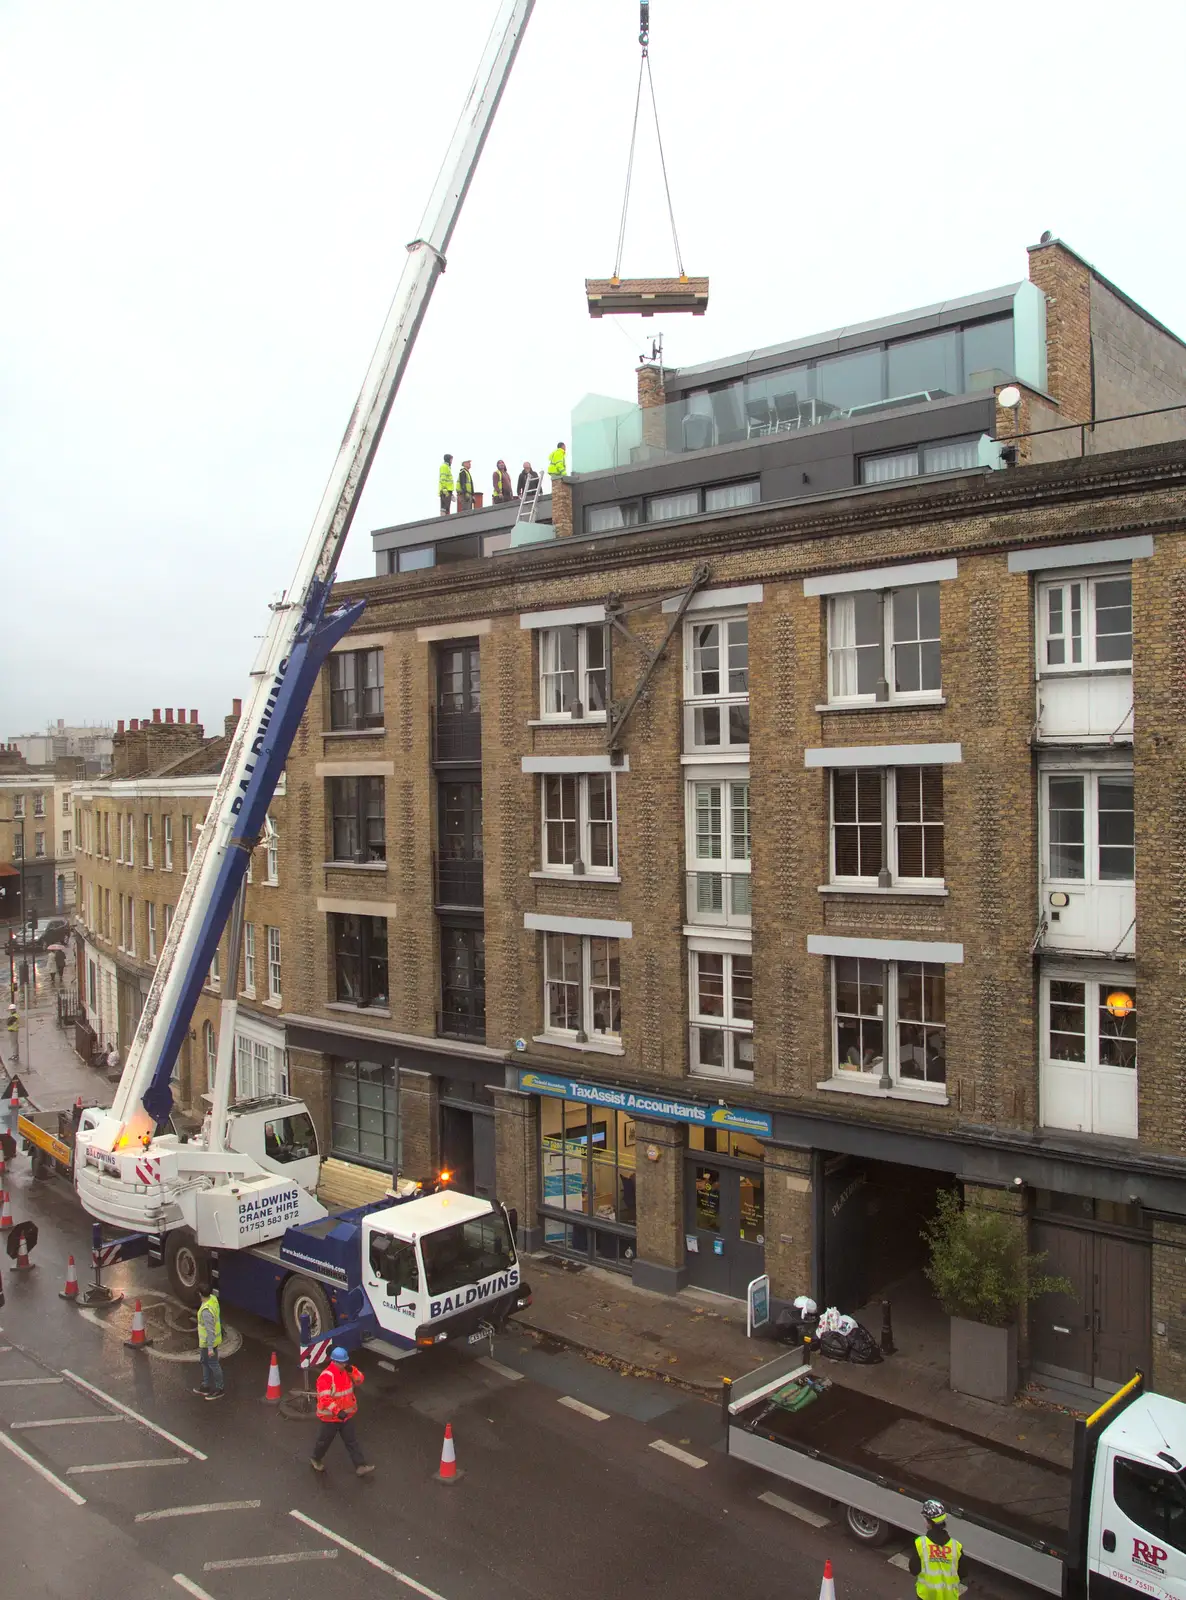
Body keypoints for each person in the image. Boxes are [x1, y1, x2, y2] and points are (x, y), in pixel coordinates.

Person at [310, 1346, 374, 1476]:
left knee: (352, 1442)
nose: (345, 1364)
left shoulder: (347, 1371)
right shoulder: (326, 1377)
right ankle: (316, 1458)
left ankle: (360, 1466)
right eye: (342, 1362)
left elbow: (360, 1380)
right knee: (324, 1442)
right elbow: (325, 1399)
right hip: (330, 1419)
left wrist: (353, 1370)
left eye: (346, 1362)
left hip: (345, 1416)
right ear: (334, 1361)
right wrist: (337, 1411)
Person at [909, 1500, 963, 1600]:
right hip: (949, 1597)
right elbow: (963, 1572)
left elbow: (914, 1570)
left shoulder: (921, 1543)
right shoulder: (956, 1546)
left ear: (928, 1521)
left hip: (926, 1595)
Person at [194, 1285, 225, 1400]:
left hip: (208, 1343)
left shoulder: (206, 1311)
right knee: (204, 1361)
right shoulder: (213, 1299)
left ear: (200, 1294)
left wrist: (211, 1348)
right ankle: (206, 1385)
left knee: (213, 1364)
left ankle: (219, 1388)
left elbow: (210, 1331)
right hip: (207, 1343)